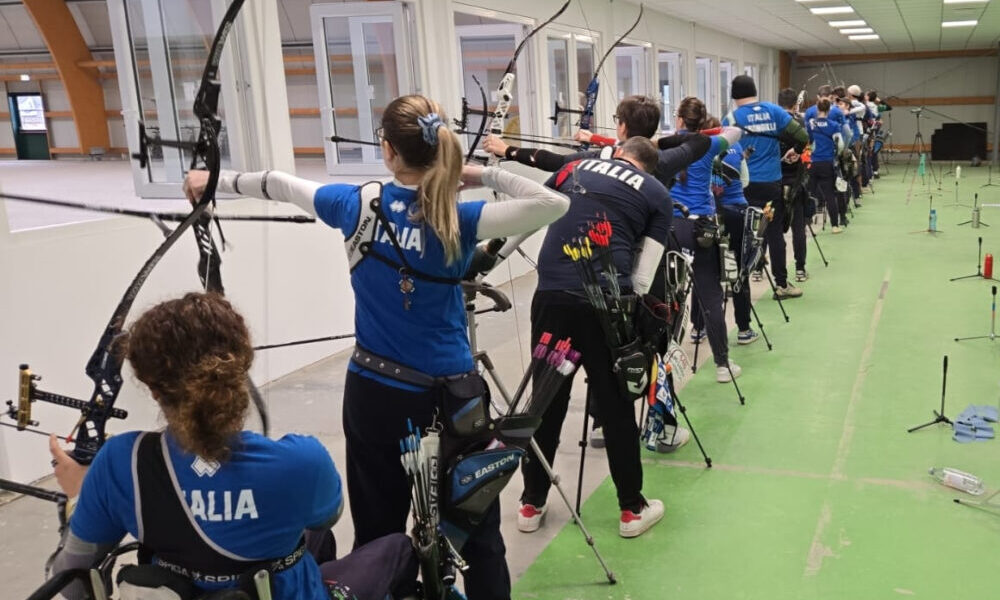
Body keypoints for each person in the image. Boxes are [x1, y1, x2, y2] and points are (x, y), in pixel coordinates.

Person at [185, 95, 570, 599]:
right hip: (452, 398)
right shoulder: (460, 218)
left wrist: (212, 182)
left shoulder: (356, 204)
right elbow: (555, 203)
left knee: (378, 534)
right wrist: (483, 174)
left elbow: (277, 183)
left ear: (388, 151)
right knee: (475, 529)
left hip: (376, 392)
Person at [47, 292, 418, 600]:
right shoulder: (301, 463)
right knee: (396, 547)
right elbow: (326, 513)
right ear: (240, 369)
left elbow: (71, 577)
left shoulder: (119, 464)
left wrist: (83, 493)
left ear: (155, 390)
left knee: (313, 537)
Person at [515, 136, 671, 538]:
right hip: (607, 309)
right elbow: (642, 278)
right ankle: (631, 511)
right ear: (648, 167)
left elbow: (530, 215)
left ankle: (531, 503)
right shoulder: (656, 191)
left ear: (620, 154)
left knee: (546, 399)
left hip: (552, 299)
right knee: (617, 406)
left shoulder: (574, 168)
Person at [668, 97, 748, 382]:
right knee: (710, 296)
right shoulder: (708, 144)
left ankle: (664, 368)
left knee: (667, 298)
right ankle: (723, 365)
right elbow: (735, 132)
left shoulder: (667, 144)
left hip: (672, 229)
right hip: (701, 227)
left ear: (678, 119)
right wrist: (705, 134)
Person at [722, 75, 808, 300]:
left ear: (734, 95)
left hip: (743, 186)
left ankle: (735, 282)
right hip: (771, 183)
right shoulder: (774, 111)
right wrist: (794, 152)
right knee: (774, 233)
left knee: (739, 234)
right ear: (754, 91)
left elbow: (723, 154)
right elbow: (802, 135)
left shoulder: (730, 118)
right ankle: (781, 285)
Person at [709, 117, 755, 347]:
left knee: (706, 272)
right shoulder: (735, 146)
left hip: (709, 216)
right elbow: (745, 181)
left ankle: (699, 329)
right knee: (738, 269)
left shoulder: (698, 150)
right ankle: (744, 329)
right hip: (736, 212)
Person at [776, 88, 811, 283]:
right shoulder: (799, 123)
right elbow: (805, 142)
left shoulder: (774, 123)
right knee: (798, 227)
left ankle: (758, 269)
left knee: (770, 226)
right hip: (794, 180)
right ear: (795, 105)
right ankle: (800, 269)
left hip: (776, 179)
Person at [807, 98, 845, 233]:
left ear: (817, 109)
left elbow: (808, 142)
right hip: (827, 162)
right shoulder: (834, 125)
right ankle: (834, 225)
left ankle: (807, 221)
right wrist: (836, 154)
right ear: (829, 109)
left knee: (809, 192)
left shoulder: (810, 124)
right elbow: (840, 145)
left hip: (812, 163)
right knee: (829, 195)